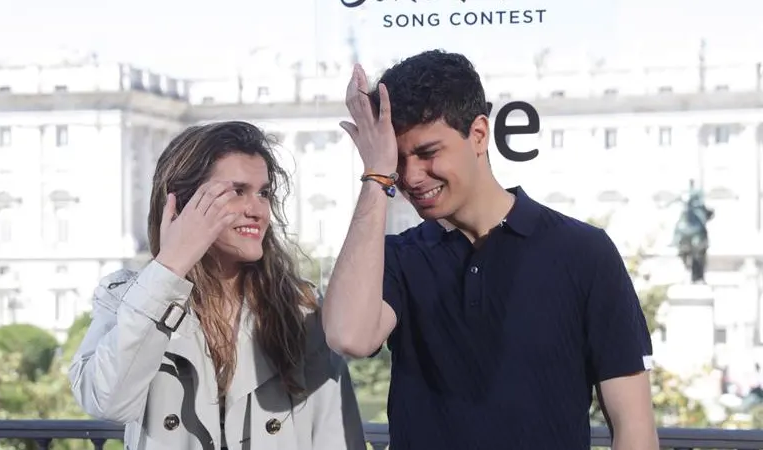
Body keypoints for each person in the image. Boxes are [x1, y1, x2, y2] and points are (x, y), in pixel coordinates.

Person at [321, 50, 659, 450]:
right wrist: (376, 175)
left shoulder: (584, 252)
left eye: (428, 153)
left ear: (478, 134)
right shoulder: (401, 256)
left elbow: (634, 428)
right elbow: (348, 337)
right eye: (399, 159)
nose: (411, 177)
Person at [69, 121, 366, 450]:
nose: (257, 211)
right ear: (182, 204)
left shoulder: (301, 309)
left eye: (264, 193)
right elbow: (107, 401)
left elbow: (335, 435)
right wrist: (169, 269)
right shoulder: (128, 297)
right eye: (237, 191)